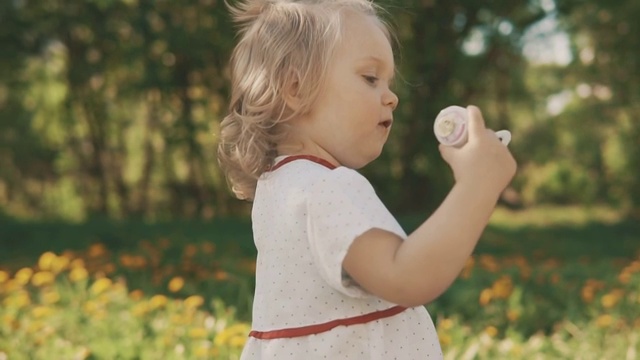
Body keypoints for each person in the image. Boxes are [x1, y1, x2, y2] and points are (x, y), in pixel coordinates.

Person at [217, 0, 517, 358]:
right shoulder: (327, 187)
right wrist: (478, 185)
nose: (391, 97)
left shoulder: (282, 186)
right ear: (294, 89)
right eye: (370, 78)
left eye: (388, 83)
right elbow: (406, 276)